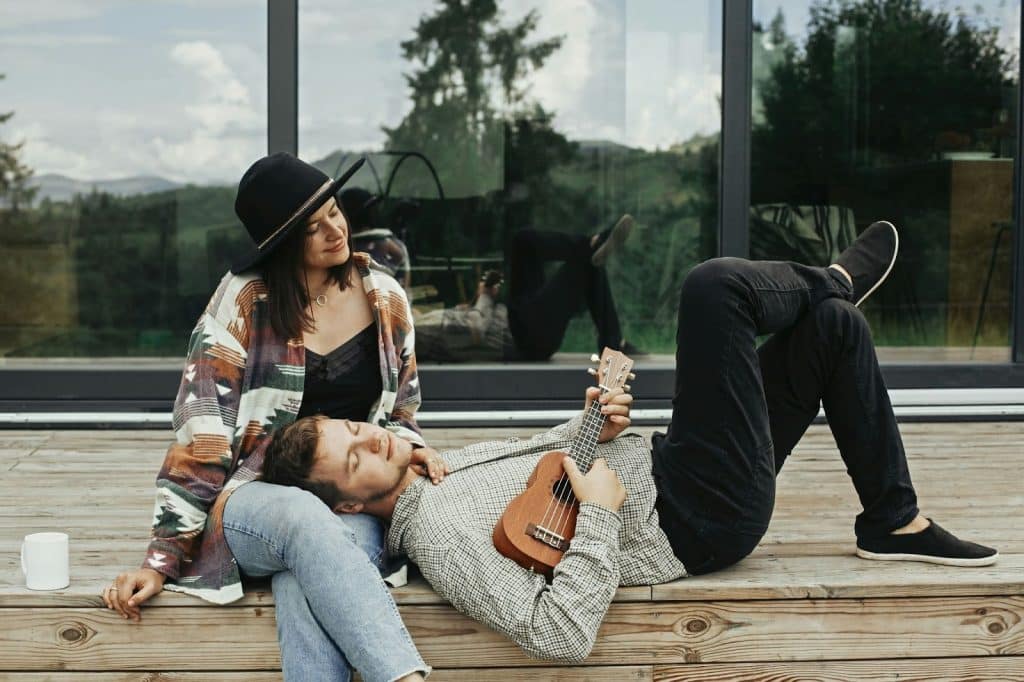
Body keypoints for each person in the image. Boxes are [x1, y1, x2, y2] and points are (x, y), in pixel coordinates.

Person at [261, 220, 998, 663]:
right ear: (347, 505)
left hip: (676, 464)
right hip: (694, 513)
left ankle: (893, 519)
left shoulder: (437, 471)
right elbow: (558, 634)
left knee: (833, 331)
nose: (371, 441)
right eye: (354, 459)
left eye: (356, 429)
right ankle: (829, 276)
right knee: (713, 289)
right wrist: (603, 515)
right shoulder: (441, 538)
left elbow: (554, 474)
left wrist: (595, 421)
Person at [102, 153, 440, 681]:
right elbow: (202, 436)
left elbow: (400, 413)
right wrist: (162, 558)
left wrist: (410, 448)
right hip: (254, 498)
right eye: (312, 228)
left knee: (309, 574)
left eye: (334, 212)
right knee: (304, 520)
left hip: (350, 499)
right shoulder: (244, 303)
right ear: (282, 243)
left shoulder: (385, 299)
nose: (335, 230)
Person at [415, 215, 643, 362]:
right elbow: (475, 329)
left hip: (520, 323)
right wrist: (484, 296)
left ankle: (591, 244)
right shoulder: (416, 329)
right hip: (524, 338)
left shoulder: (417, 323)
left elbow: (464, 328)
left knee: (524, 241)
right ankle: (592, 246)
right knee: (583, 263)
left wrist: (476, 302)